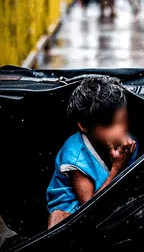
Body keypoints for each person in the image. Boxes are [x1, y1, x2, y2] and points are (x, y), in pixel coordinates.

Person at [46, 77, 138, 229]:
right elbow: (89, 210)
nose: (119, 130)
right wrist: (117, 168)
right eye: (110, 125)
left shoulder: (126, 141)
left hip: (107, 196)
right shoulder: (76, 158)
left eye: (122, 121)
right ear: (84, 126)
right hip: (76, 210)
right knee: (59, 219)